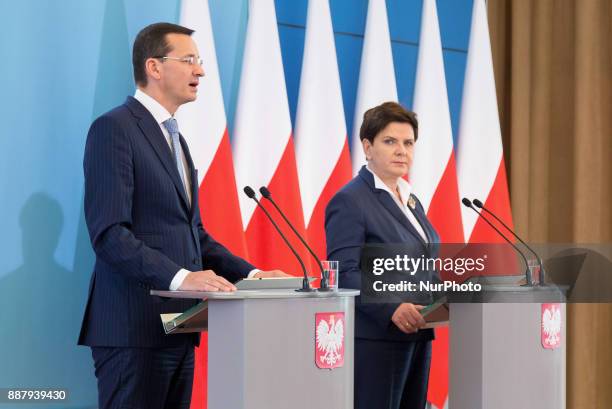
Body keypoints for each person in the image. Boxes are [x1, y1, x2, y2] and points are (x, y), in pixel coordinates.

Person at [78, 22, 285, 409]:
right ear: (154, 67)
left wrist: (254, 276)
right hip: (132, 332)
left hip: (179, 327)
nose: (200, 71)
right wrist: (184, 278)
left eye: (200, 61)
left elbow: (195, 236)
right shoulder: (114, 129)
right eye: (189, 60)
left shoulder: (176, 139)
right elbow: (109, 234)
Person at [325, 102, 440, 409]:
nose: (401, 151)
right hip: (377, 339)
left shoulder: (411, 200)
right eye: (390, 141)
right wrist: (391, 307)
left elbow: (423, 264)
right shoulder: (350, 200)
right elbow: (344, 272)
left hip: (418, 332)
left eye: (408, 143)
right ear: (367, 146)